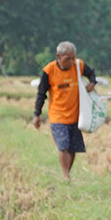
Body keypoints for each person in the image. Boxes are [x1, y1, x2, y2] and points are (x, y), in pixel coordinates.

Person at [32, 41, 96, 180]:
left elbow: (92, 74)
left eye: (73, 58)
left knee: (73, 148)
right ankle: (66, 175)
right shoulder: (49, 71)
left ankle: (67, 173)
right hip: (58, 116)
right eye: (68, 59)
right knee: (63, 145)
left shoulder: (78, 65)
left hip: (75, 115)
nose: (72, 61)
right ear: (59, 56)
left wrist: (92, 83)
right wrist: (37, 114)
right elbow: (41, 93)